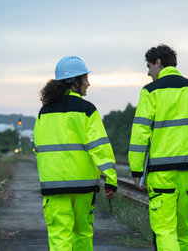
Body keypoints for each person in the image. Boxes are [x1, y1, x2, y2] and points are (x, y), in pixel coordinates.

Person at [128, 44, 188, 251]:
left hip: (162, 174)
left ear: (159, 63)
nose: (148, 72)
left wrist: (136, 170)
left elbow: (140, 134)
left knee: (164, 229)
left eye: (149, 66)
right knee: (184, 228)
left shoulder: (150, 92)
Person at [34, 56, 118, 250]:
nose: (88, 84)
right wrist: (111, 180)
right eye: (85, 79)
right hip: (83, 185)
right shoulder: (87, 110)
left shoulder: (44, 112)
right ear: (74, 81)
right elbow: (100, 148)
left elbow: (39, 149)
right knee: (82, 234)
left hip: (54, 186)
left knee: (59, 236)